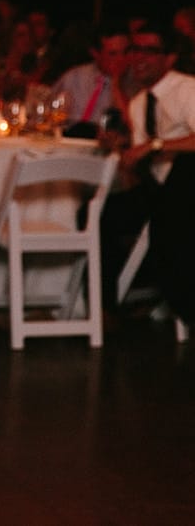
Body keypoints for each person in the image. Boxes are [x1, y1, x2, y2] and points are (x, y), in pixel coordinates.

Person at [99, 24, 195, 326]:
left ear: (169, 58)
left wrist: (154, 146)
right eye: (134, 49)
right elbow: (141, 162)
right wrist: (122, 149)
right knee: (97, 212)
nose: (138, 58)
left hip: (186, 191)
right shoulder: (141, 103)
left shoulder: (187, 89)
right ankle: (105, 305)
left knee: (183, 170)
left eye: (149, 51)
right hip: (157, 192)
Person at [50, 19, 130, 138]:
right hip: (70, 142)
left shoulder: (135, 81)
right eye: (113, 54)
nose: (121, 60)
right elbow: (51, 112)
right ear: (95, 53)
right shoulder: (74, 77)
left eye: (125, 52)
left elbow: (131, 126)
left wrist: (116, 86)